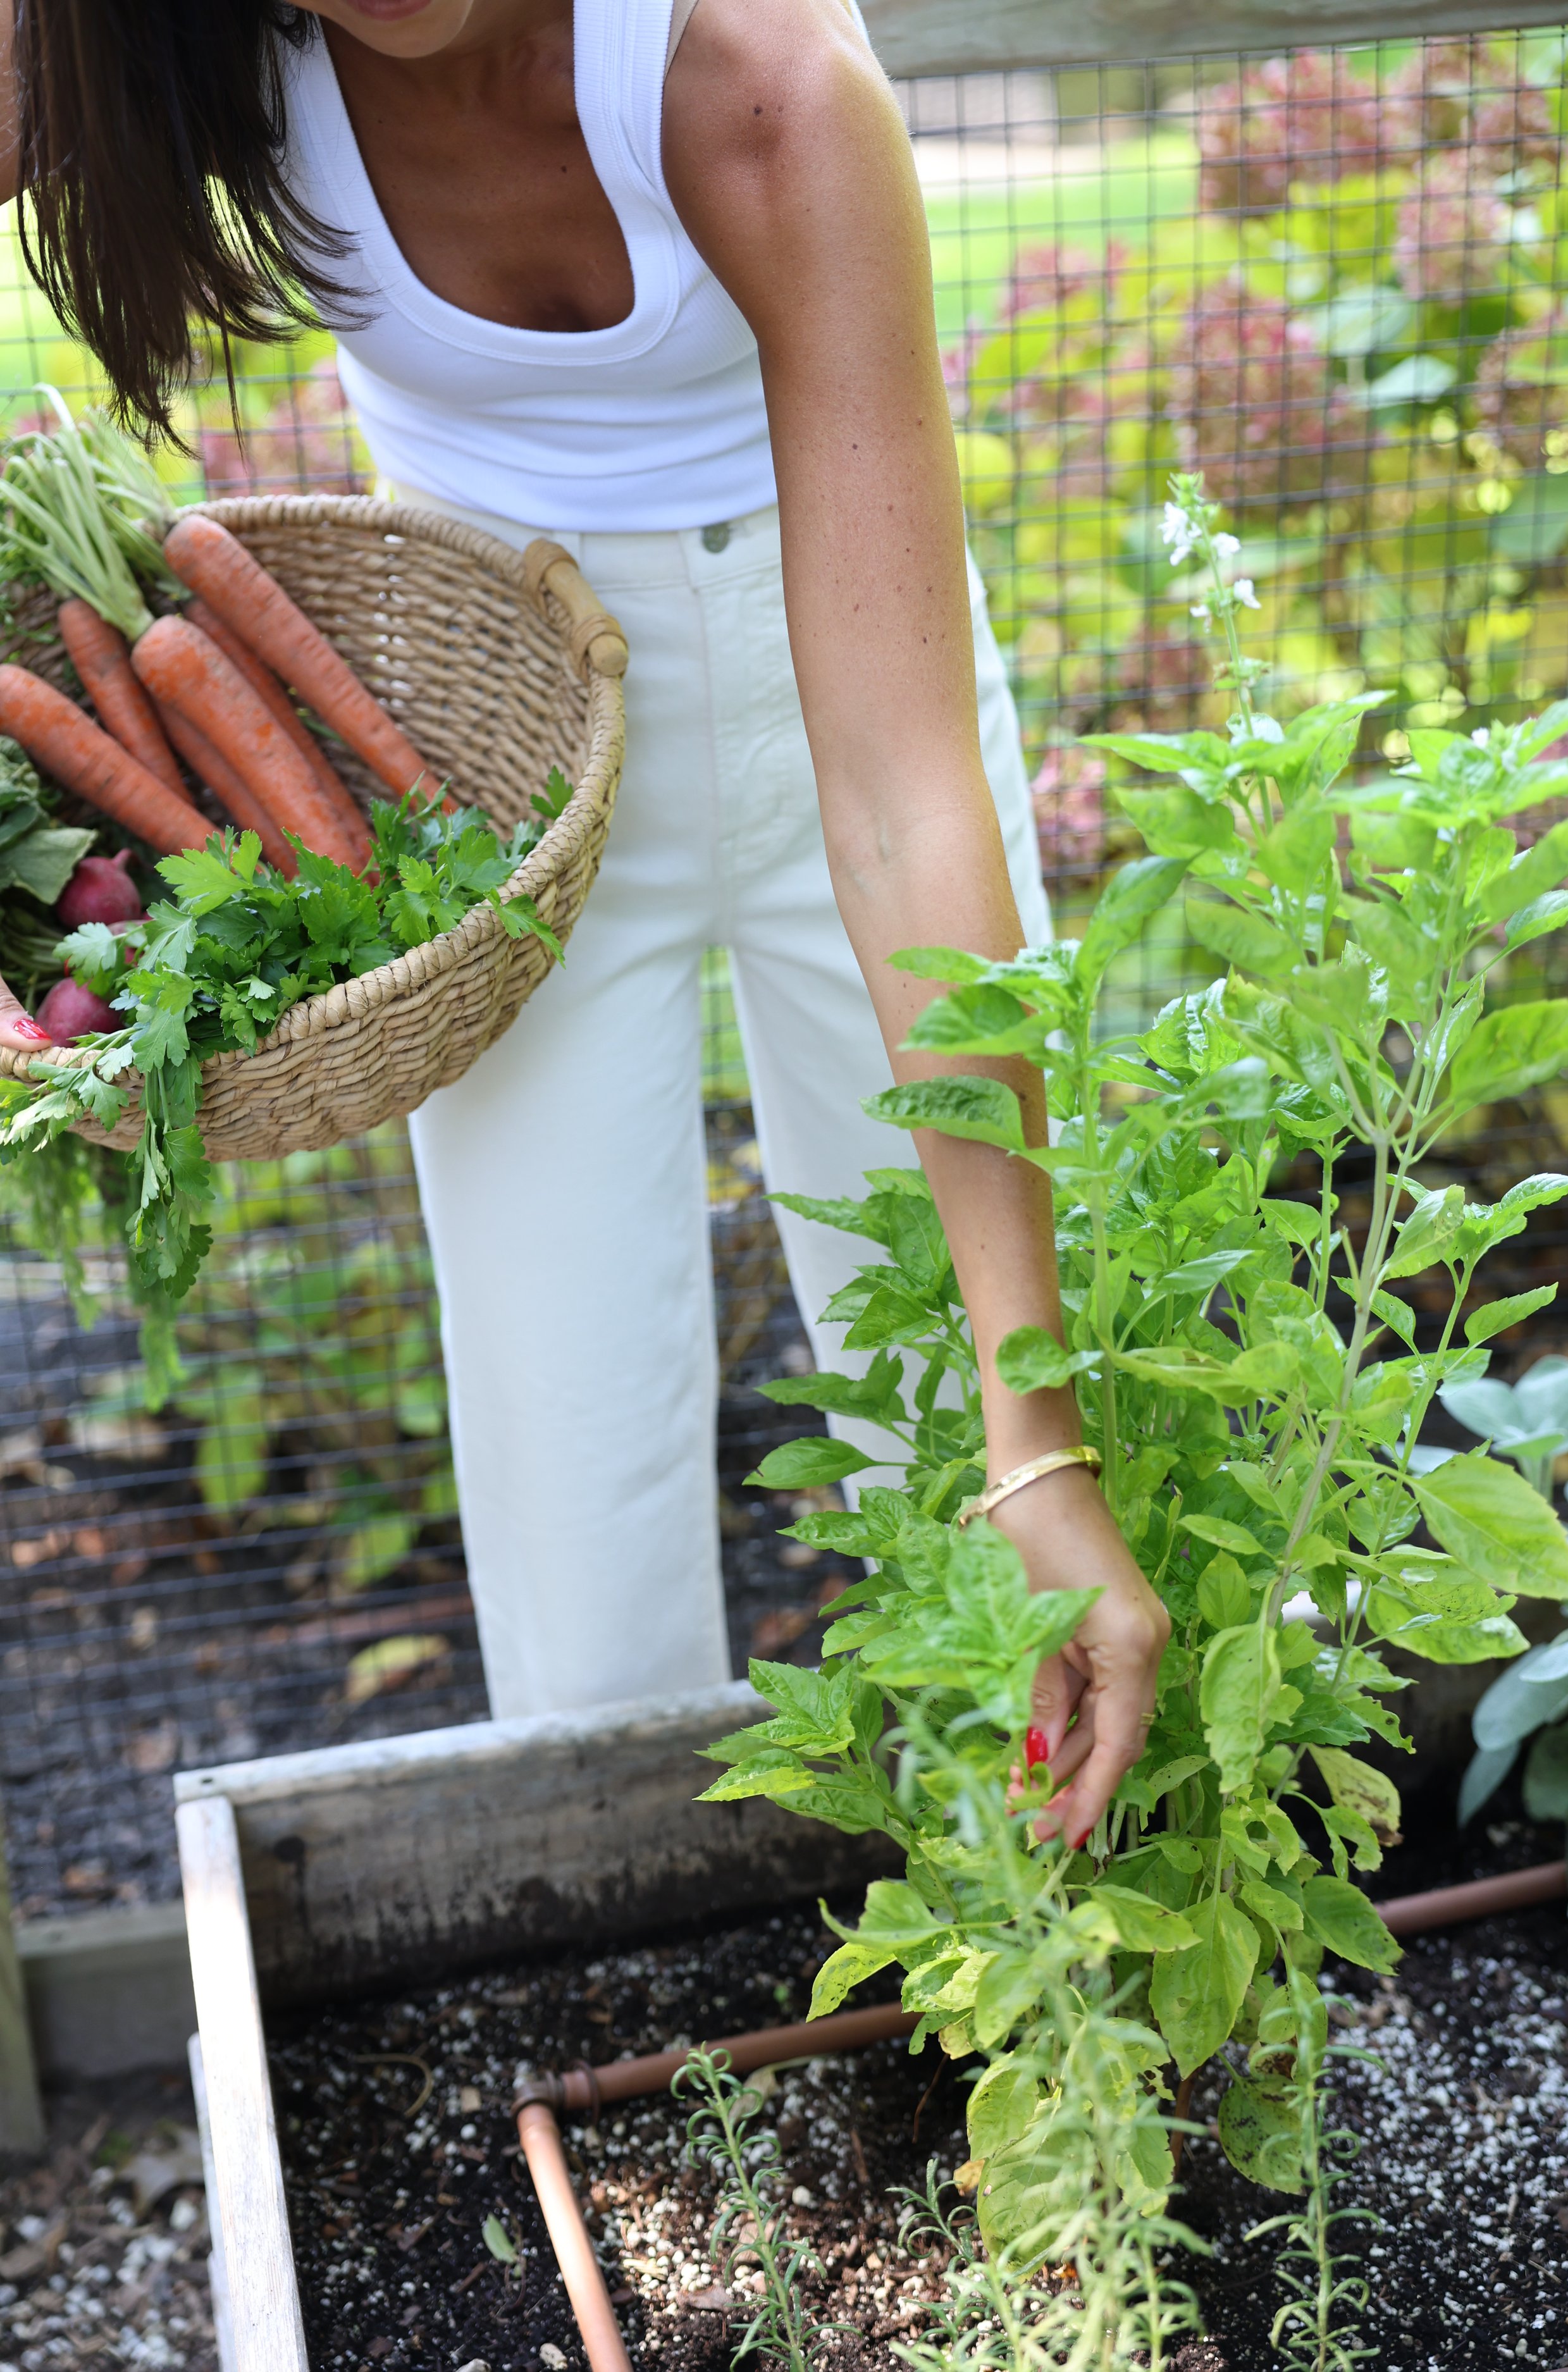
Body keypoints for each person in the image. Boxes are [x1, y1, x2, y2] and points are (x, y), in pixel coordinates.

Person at [0, 0, 1168, 1847]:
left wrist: (1036, 1439)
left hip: (843, 714)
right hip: (484, 764)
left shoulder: (751, 76)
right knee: (571, 1468)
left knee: (953, 1387)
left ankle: (1031, 1931)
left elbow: (900, 791)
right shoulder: (177, 43)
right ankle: (656, 2009)